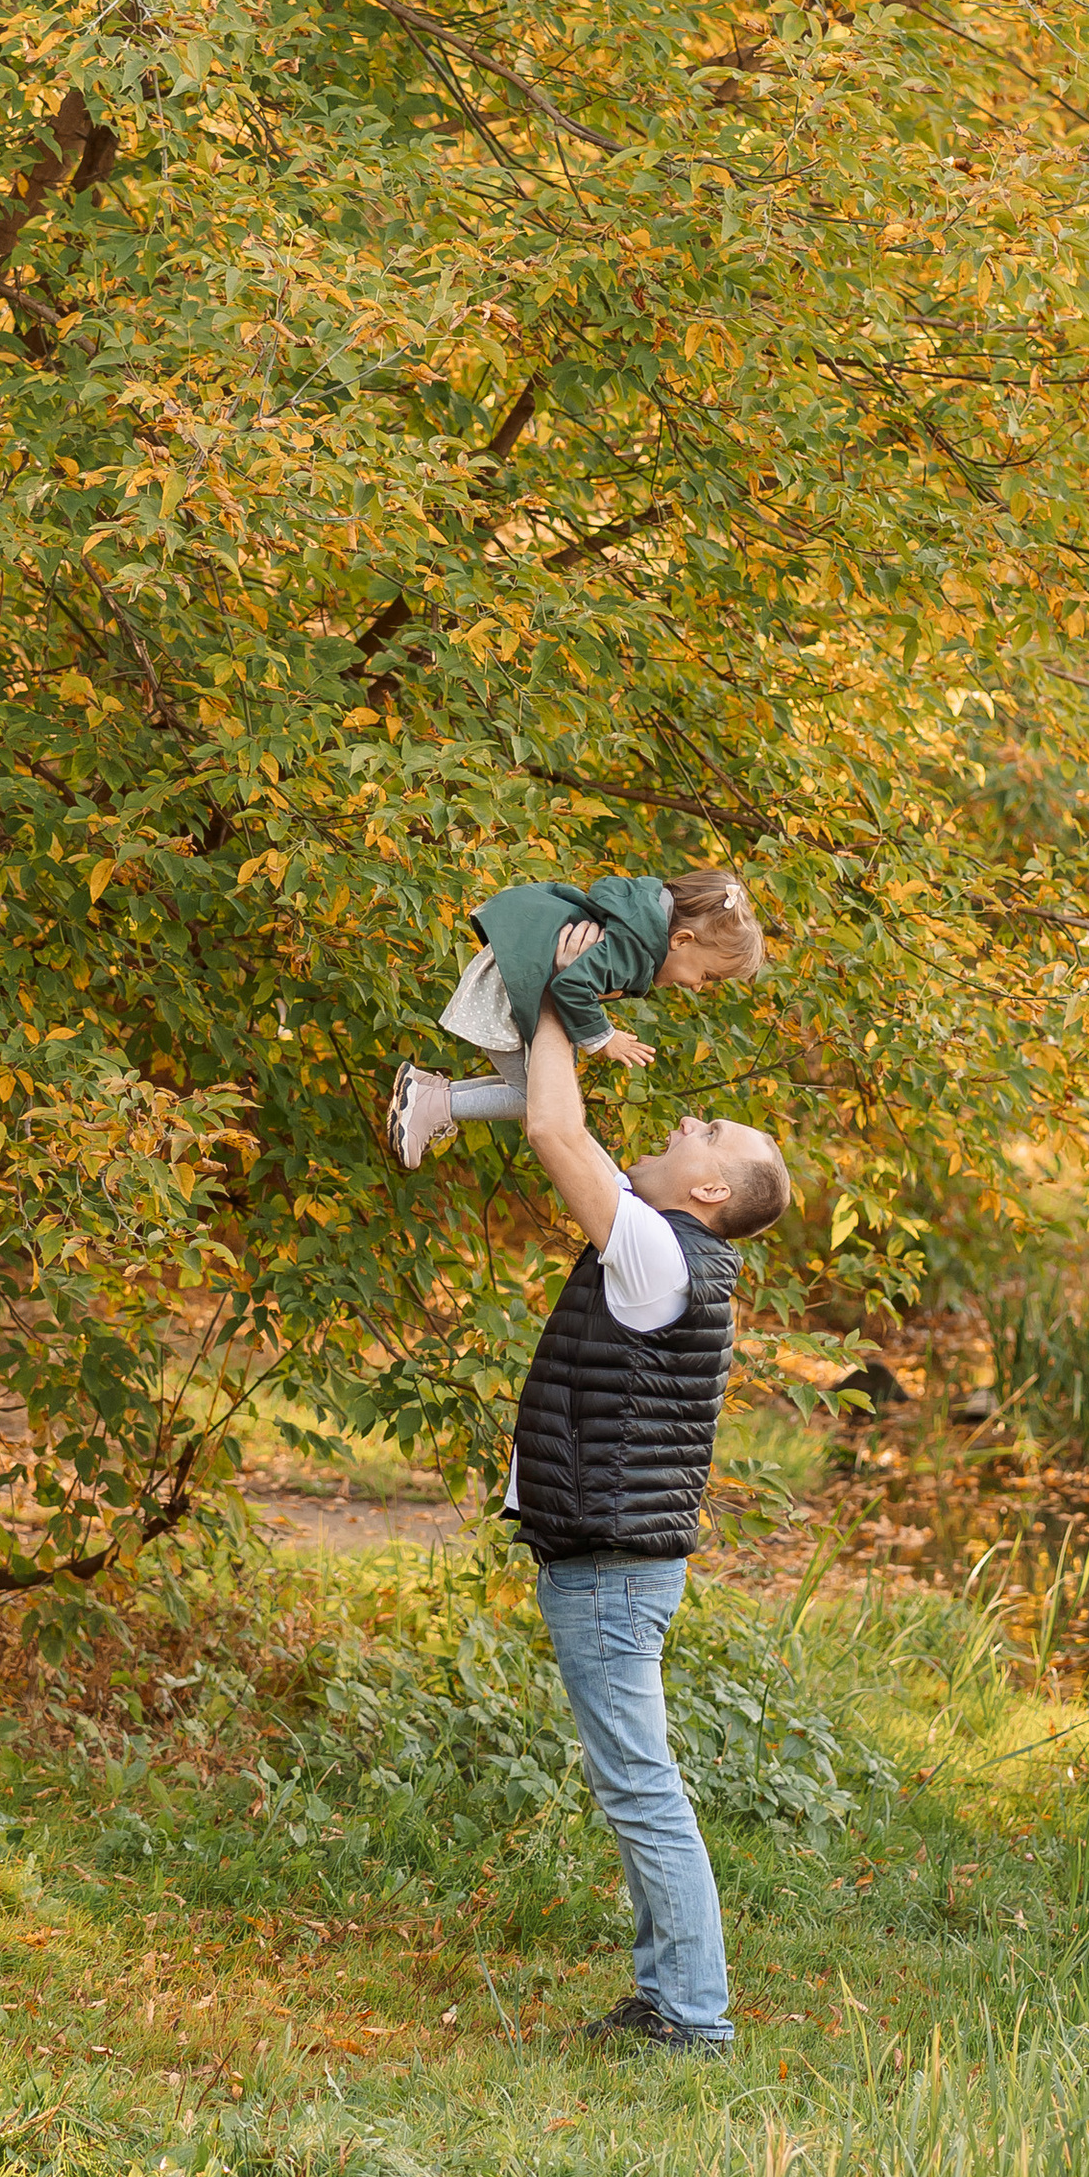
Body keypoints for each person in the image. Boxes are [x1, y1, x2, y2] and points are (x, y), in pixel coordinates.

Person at [502, 956, 790, 2054]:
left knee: (639, 1788)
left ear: (708, 1193)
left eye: (704, 1130)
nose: (682, 1119)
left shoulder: (659, 1258)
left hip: (612, 1567)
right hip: (611, 1556)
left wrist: (544, 993)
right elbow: (560, 1125)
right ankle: (669, 1994)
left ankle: (694, 2017)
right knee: (633, 1782)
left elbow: (552, 1134)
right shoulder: (661, 1245)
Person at [389, 865, 764, 1166]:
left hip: (516, 970)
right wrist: (604, 1038)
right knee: (538, 1098)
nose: (698, 987)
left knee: (535, 1086)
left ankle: (428, 1095)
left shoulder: (634, 928)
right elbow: (571, 986)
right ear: (682, 941)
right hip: (514, 981)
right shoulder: (632, 949)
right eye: (707, 976)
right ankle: (432, 1102)